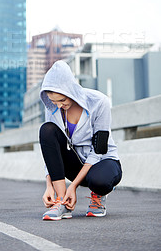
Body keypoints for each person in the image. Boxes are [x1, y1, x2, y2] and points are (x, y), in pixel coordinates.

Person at [39, 60, 122, 220]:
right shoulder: (53, 106)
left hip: (101, 162)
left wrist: (74, 186)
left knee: (99, 180)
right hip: (75, 163)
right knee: (46, 129)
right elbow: (51, 150)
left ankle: (98, 196)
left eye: (63, 100)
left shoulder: (99, 102)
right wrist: (49, 185)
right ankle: (61, 202)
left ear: (70, 91)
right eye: (54, 102)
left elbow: (99, 151)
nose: (59, 105)